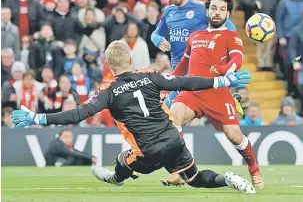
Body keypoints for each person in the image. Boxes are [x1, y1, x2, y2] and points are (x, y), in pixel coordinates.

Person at [11, 40, 255, 194]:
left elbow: (76, 114)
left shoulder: (106, 92)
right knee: (196, 179)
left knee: (122, 160)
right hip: (173, 140)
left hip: (147, 151)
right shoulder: (149, 75)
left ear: (107, 65)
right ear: (130, 60)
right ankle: (229, 179)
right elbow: (185, 82)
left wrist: (37, 118)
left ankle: (115, 178)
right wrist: (223, 80)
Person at [161, 0, 264, 189]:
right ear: (207, 11)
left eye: (222, 9)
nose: (217, 12)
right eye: (214, 8)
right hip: (192, 92)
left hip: (218, 93)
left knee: (234, 136)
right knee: (173, 118)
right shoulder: (195, 36)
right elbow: (184, 64)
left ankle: (254, 168)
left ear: (227, 14)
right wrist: (167, 84)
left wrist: (224, 69)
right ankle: (180, 171)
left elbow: (237, 59)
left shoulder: (231, 36)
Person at [150, 0, 236, 109]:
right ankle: (225, 99)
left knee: (169, 114)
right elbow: (155, 34)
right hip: (178, 74)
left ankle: (225, 99)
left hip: (197, 74)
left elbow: (231, 29)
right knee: (171, 117)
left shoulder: (202, 9)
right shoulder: (169, 12)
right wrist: (158, 39)